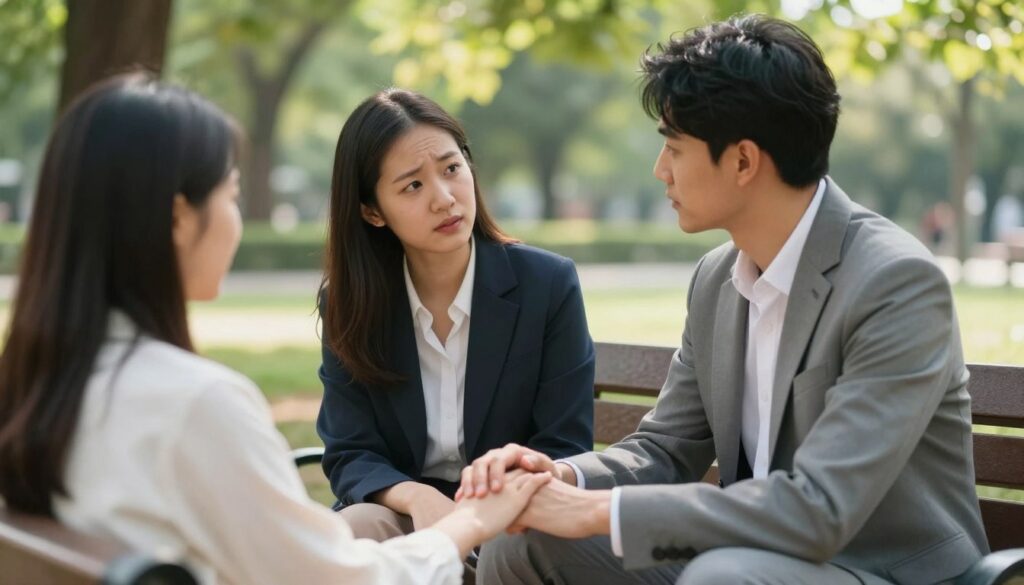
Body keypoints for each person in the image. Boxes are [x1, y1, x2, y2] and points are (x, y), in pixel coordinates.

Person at [462, 14, 988, 585]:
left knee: (723, 578)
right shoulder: (717, 279)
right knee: (521, 543)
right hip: (744, 563)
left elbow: (821, 508)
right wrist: (560, 481)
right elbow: (665, 449)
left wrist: (592, 512)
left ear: (742, 160)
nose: (659, 170)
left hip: (876, 570)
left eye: (675, 147)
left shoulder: (895, 282)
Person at [0, 73, 551, 585]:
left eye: (452, 168)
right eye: (233, 194)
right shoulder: (195, 405)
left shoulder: (37, 383)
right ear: (178, 218)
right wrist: (466, 525)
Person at [316, 89, 594, 557]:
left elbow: (564, 442)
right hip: (404, 513)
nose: (445, 199)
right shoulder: (351, 303)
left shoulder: (547, 284)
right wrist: (416, 497)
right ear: (372, 211)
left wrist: (484, 509)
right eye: (412, 186)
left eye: (451, 169)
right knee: (358, 526)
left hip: (511, 514)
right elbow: (349, 449)